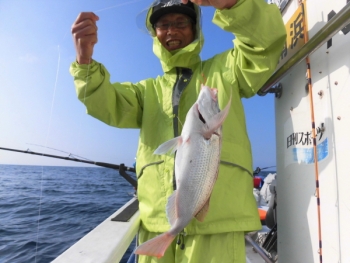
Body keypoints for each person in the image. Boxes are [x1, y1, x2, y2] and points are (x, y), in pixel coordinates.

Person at [70, 0, 286, 262]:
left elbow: (265, 44)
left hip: (217, 227)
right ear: (155, 34)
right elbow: (104, 102)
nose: (171, 30)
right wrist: (84, 62)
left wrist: (232, 4)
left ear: (196, 29)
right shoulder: (146, 91)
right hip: (157, 227)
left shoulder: (227, 68)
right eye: (163, 25)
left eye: (181, 23)